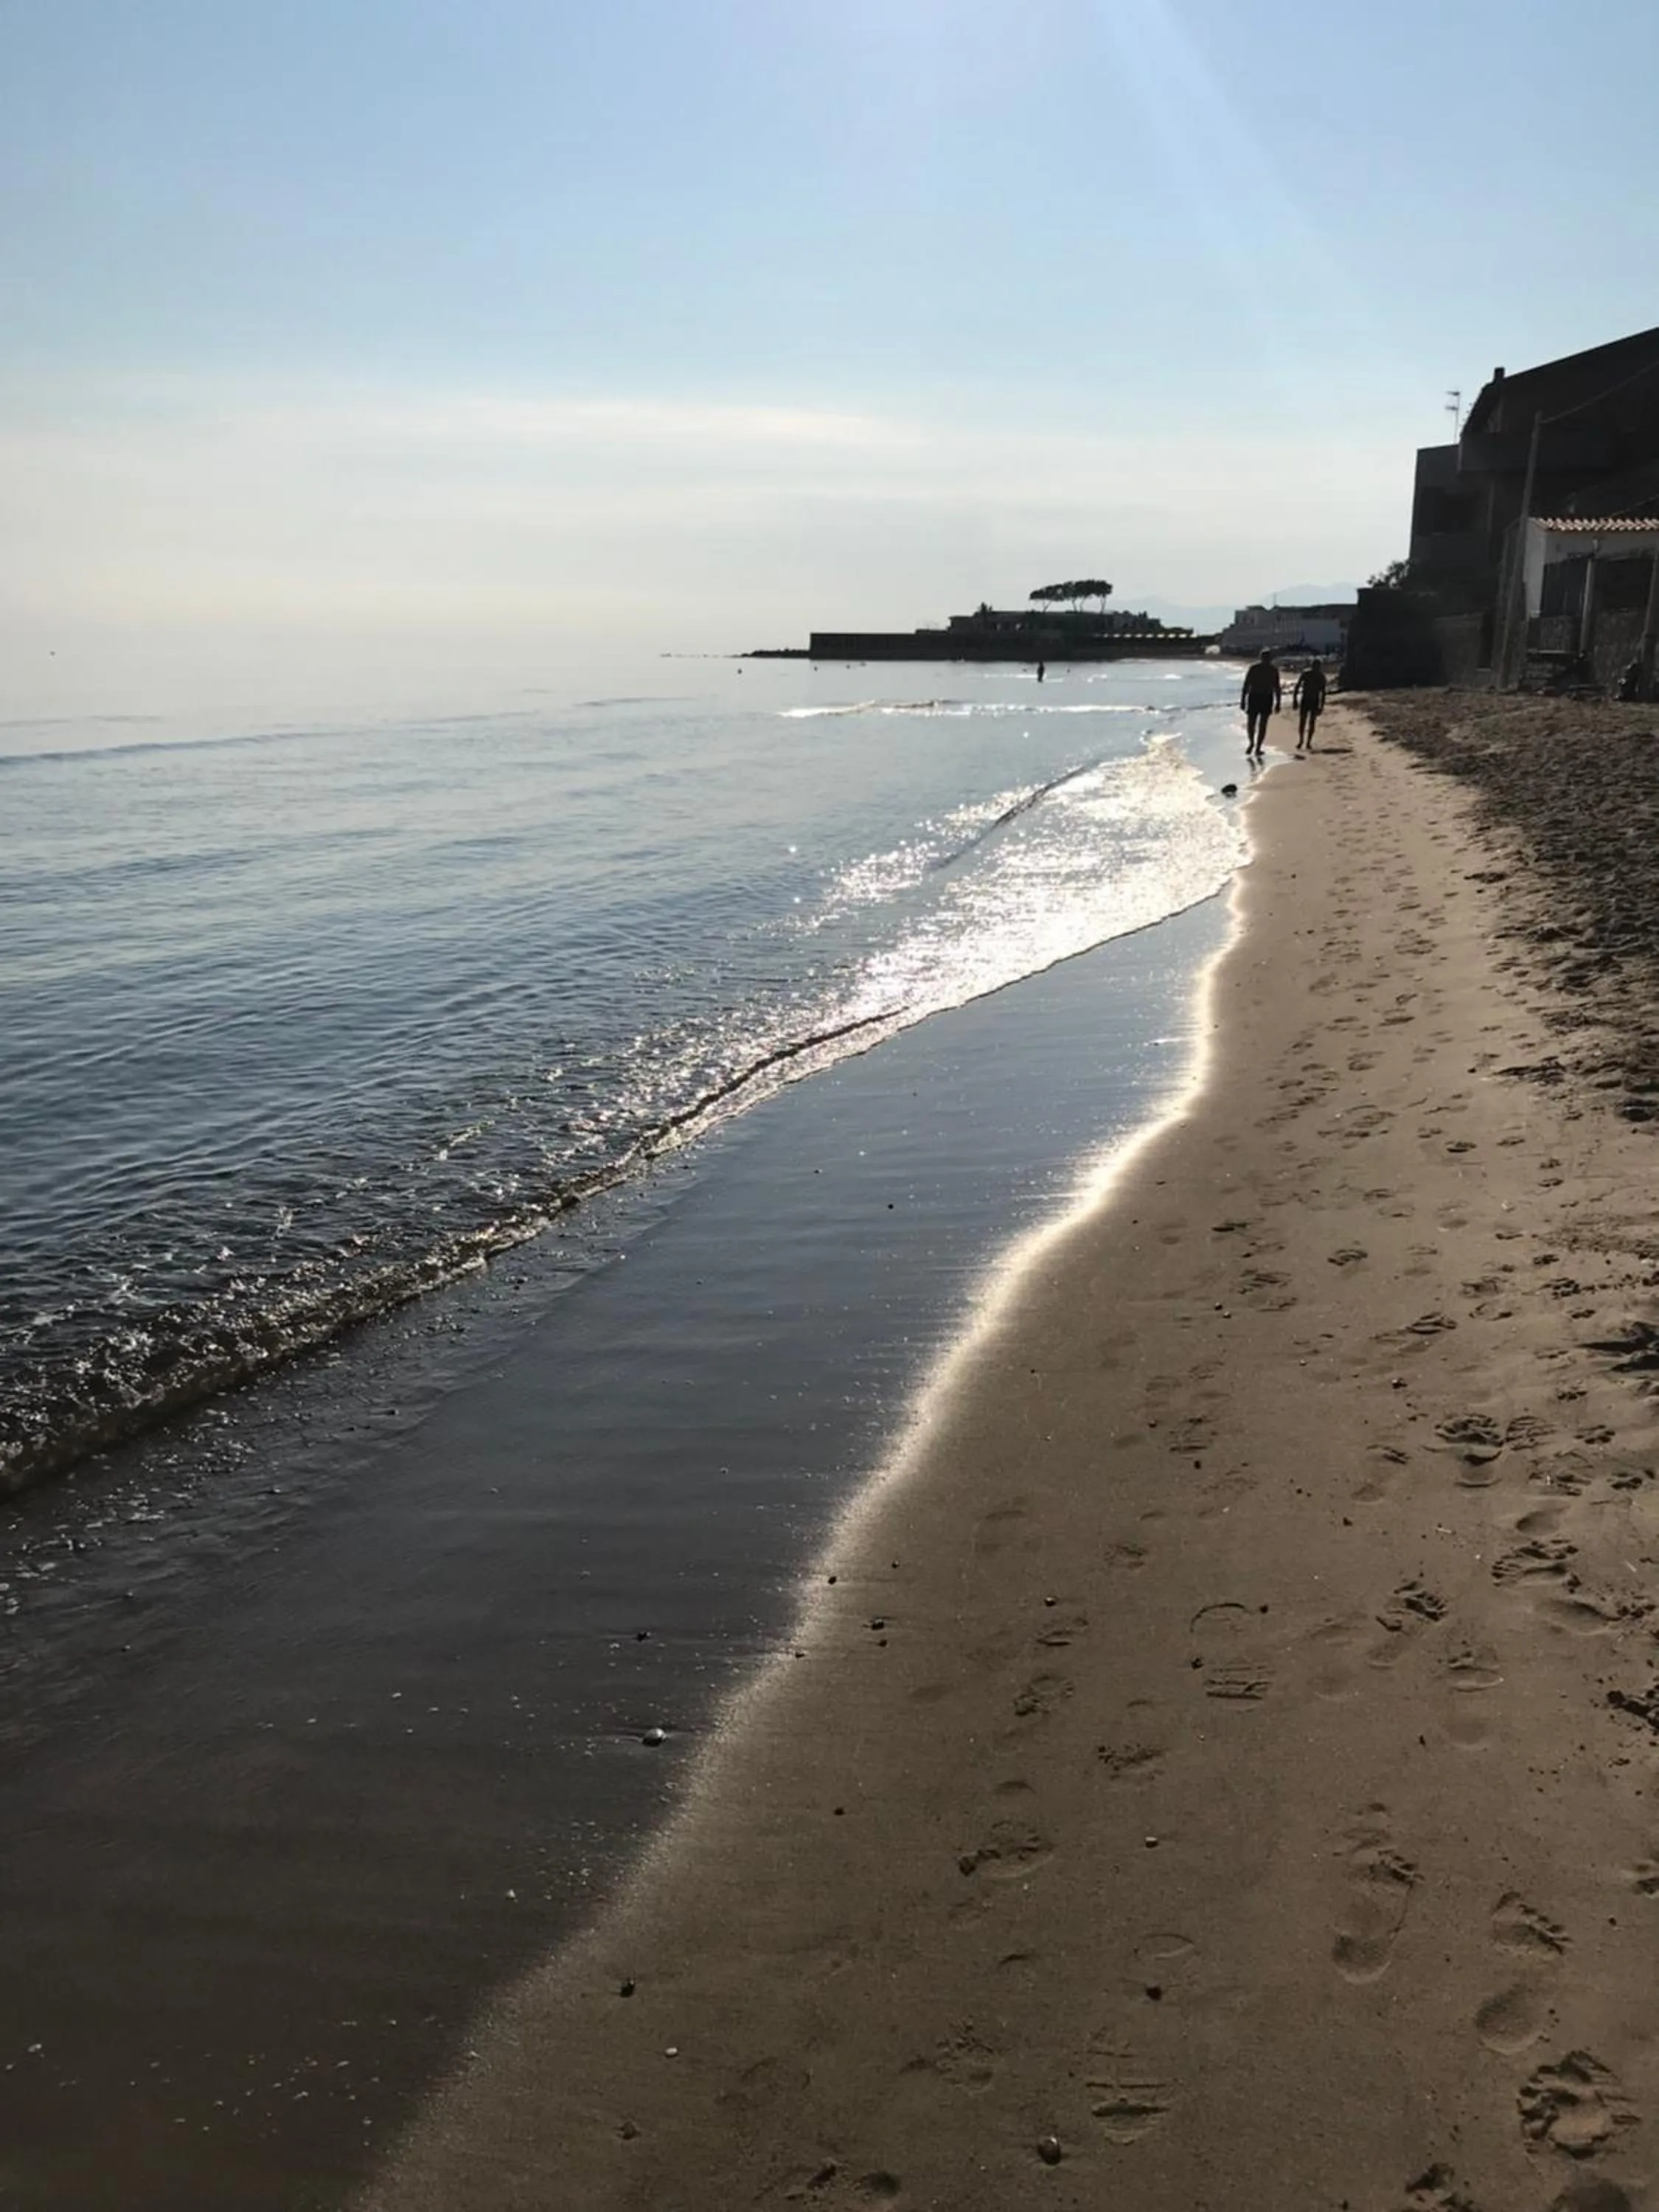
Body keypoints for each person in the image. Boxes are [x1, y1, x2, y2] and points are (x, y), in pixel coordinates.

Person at [1240, 649, 1281, 759]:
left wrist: (1278, 703)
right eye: (1265, 658)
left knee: (1261, 724)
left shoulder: (1273, 670)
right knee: (1253, 723)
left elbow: (1277, 687)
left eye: (1267, 658)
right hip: (1256, 697)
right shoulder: (1255, 669)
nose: (1266, 660)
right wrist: (1243, 700)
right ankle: (1253, 743)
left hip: (1264, 697)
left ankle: (1256, 746)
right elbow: (1246, 685)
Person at [1292, 657, 1328, 751]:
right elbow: (1298, 686)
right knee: (1303, 722)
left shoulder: (1321, 676)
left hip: (1314, 700)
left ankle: (1308, 742)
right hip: (1306, 699)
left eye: (1317, 666)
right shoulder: (1307, 674)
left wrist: (1322, 706)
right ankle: (1301, 741)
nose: (1316, 668)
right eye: (1315, 666)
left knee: (1311, 722)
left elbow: (1323, 693)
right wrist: (1295, 700)